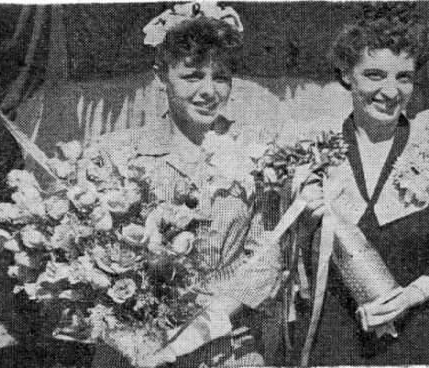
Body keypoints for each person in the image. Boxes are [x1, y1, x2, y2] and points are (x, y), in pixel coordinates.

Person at [90, 3, 284, 367]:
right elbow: (93, 261)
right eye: (192, 76)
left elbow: (266, 257)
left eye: (221, 77)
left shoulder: (258, 154)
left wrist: (187, 337)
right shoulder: (118, 154)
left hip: (226, 346)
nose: (209, 91)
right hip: (136, 348)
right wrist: (140, 342)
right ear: (161, 75)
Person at [294, 4, 429, 365]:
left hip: (415, 344)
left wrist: (410, 296)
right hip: (332, 346)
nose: (390, 92)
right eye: (375, 75)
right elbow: (288, 263)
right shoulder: (312, 151)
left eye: (404, 77)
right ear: (347, 75)